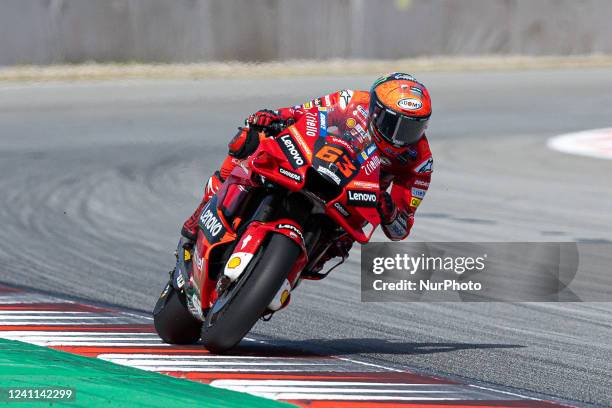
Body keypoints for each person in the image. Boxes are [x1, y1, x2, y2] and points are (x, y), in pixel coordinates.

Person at [179, 72, 433, 270]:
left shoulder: (420, 161)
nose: (401, 138)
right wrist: (274, 117)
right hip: (315, 161)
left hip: (356, 197)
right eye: (394, 123)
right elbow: (303, 113)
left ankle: (293, 268)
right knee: (249, 141)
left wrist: (389, 211)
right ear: (375, 111)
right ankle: (200, 213)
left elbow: (401, 228)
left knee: (340, 245)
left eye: (413, 128)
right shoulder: (351, 102)